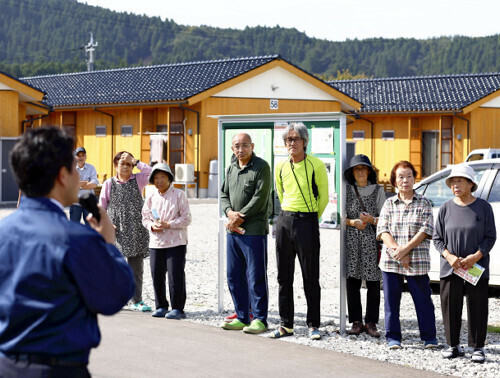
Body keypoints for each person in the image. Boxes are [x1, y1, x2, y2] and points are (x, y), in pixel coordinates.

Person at [0, 127, 134, 376]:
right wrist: (107, 244)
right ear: (62, 175)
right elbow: (115, 295)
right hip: (58, 368)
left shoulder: (3, 231)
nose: (78, 176)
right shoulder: (76, 238)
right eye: (75, 169)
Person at [433, 164, 496, 363]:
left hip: (475, 267)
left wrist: (476, 256)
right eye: (453, 181)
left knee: (477, 306)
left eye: (460, 181)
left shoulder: (483, 207)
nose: (455, 185)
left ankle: (477, 347)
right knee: (450, 306)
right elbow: (437, 238)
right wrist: (449, 257)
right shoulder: (445, 208)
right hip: (451, 267)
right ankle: (453, 345)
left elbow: (490, 237)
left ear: (471, 184)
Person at [271, 122, 328, 340]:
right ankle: (286, 324)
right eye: (288, 140)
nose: (291, 143)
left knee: (310, 276)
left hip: (308, 220)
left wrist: (310, 215)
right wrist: (290, 213)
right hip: (285, 220)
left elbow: (323, 197)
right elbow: (280, 192)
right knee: (284, 276)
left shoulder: (316, 165)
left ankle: (313, 324)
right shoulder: (281, 166)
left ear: (305, 142)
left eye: (295, 139)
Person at [377, 160, 438, 350]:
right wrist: (398, 251)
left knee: (423, 300)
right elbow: (382, 230)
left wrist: (406, 250)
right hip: (391, 261)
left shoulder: (425, 202)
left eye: (409, 176)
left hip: (416, 260)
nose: (405, 180)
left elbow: (426, 230)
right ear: (395, 181)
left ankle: (429, 337)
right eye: (401, 177)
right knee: (391, 302)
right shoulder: (389, 203)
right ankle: (393, 337)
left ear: (414, 178)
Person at [219, 133, 272, 334]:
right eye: (236, 146)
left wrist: (239, 216)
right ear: (232, 149)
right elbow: (223, 194)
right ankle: (242, 316)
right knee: (233, 275)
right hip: (233, 231)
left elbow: (260, 197)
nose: (240, 149)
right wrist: (229, 213)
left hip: (254, 231)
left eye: (244, 145)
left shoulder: (261, 167)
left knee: (255, 275)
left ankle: (260, 319)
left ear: (252, 146)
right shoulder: (231, 168)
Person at [99, 151, 152, 312]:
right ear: (115, 166)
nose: (126, 167)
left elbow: (152, 173)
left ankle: (137, 300)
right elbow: (101, 206)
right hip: (116, 228)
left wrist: (136, 162)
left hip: (136, 227)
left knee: (136, 267)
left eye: (129, 164)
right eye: (122, 163)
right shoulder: (109, 183)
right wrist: (106, 224)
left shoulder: (138, 179)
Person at [142, 163, 192, 320]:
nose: (159, 180)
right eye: (156, 178)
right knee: (156, 274)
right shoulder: (150, 196)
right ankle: (161, 306)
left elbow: (187, 218)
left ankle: (178, 308)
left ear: (169, 178)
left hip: (176, 242)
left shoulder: (179, 195)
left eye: (162, 177)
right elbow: (145, 217)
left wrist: (168, 224)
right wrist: (151, 225)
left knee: (175, 276)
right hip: (156, 242)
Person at [344, 154, 385, 337]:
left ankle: (371, 322)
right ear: (352, 172)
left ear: (369, 170)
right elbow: (338, 216)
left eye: (363, 168)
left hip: (371, 240)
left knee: (373, 282)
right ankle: (356, 321)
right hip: (352, 241)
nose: (360, 171)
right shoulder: (347, 190)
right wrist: (353, 222)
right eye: (356, 168)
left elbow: (385, 219)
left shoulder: (378, 190)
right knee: (352, 281)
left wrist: (372, 220)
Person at [69, 147, 98, 227]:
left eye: (83, 155)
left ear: (86, 156)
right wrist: (86, 182)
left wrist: (79, 186)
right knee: (74, 227)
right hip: (75, 202)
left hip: (88, 203)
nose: (81, 157)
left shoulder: (91, 168)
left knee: (90, 227)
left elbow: (94, 183)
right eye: (78, 155)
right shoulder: (71, 168)